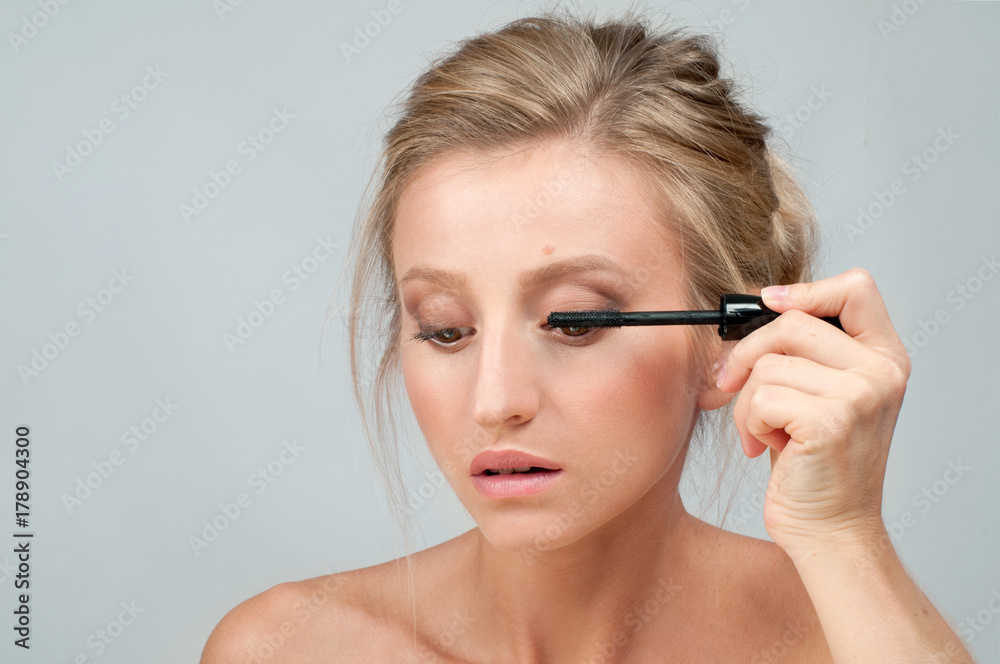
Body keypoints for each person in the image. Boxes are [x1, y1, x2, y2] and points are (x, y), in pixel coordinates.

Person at [201, 9, 974, 662]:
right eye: (445, 331)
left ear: (731, 339)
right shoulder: (288, 649)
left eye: (575, 322)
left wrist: (844, 538)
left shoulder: (841, 640)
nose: (495, 402)